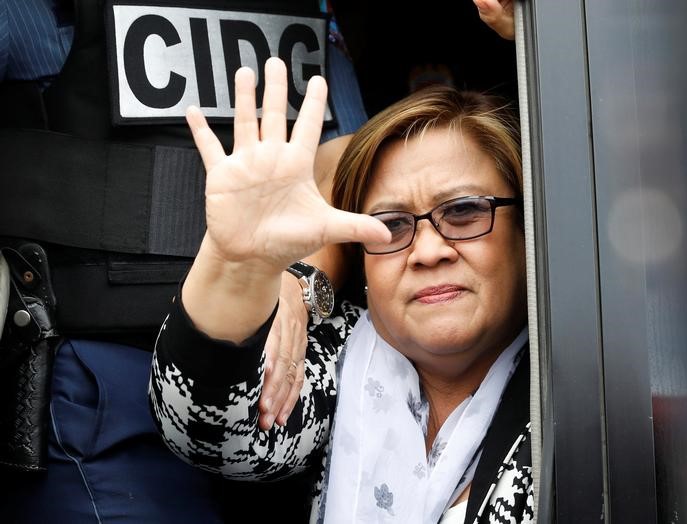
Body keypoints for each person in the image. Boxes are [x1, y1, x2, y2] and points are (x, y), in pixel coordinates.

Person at [0, 0, 367, 521]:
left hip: (279, 388)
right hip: (99, 389)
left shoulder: (303, 14)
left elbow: (354, 170)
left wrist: (298, 277)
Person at [149, 57, 534, 523]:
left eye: (464, 211)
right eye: (391, 225)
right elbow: (205, 429)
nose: (428, 251)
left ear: (526, 232)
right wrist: (240, 268)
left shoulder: (587, 385)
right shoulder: (342, 352)